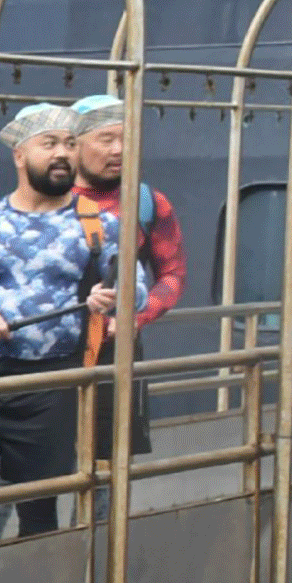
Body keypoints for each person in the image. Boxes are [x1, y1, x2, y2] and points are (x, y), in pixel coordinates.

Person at [0, 104, 128, 552]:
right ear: (20, 155)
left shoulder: (99, 224)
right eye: (50, 144)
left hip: (54, 381)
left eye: (70, 144)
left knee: (38, 501)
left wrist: (108, 301)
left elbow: (131, 286)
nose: (63, 154)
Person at [72, 91, 184, 466]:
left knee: (108, 462)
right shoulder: (42, 200)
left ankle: (101, 527)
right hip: (43, 352)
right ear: (75, 145)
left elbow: (172, 273)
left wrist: (137, 316)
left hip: (114, 349)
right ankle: (38, 528)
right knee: (29, 465)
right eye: (106, 139)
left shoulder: (148, 202)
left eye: (126, 139)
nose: (119, 150)